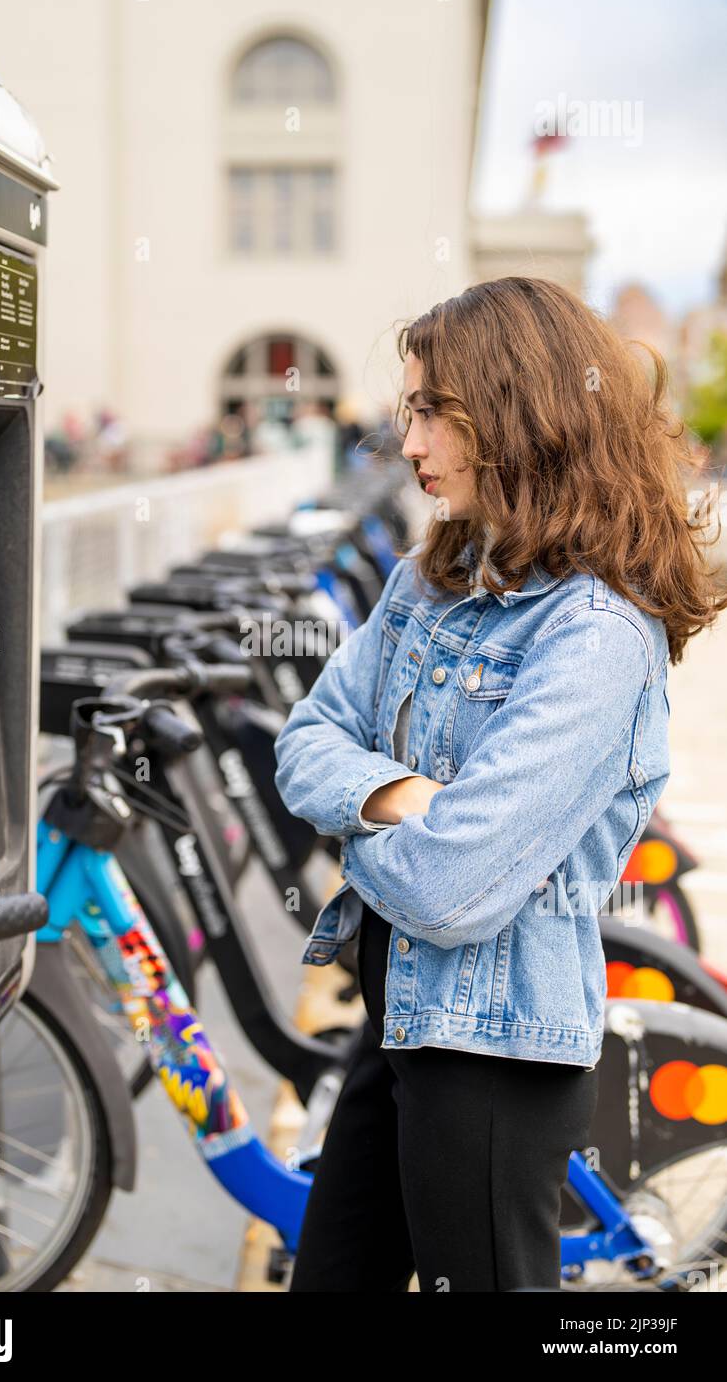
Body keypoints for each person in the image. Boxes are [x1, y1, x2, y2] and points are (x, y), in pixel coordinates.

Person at [273, 275, 727, 1293]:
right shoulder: (426, 581)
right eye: (406, 413)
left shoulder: (597, 636)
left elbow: (453, 886)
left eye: (431, 411)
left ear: (514, 413)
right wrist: (404, 801)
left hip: (492, 1057)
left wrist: (365, 816)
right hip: (396, 1019)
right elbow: (304, 742)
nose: (410, 443)